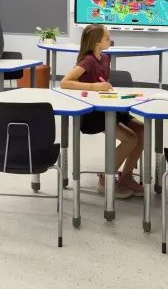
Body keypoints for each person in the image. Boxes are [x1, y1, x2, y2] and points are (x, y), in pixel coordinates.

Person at [61, 25, 144, 198]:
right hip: (95, 114)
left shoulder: (105, 58)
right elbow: (65, 82)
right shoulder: (88, 61)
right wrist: (93, 87)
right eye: (107, 37)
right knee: (130, 139)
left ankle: (126, 177)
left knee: (143, 130)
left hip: (111, 107)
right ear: (97, 43)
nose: (110, 39)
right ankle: (106, 178)